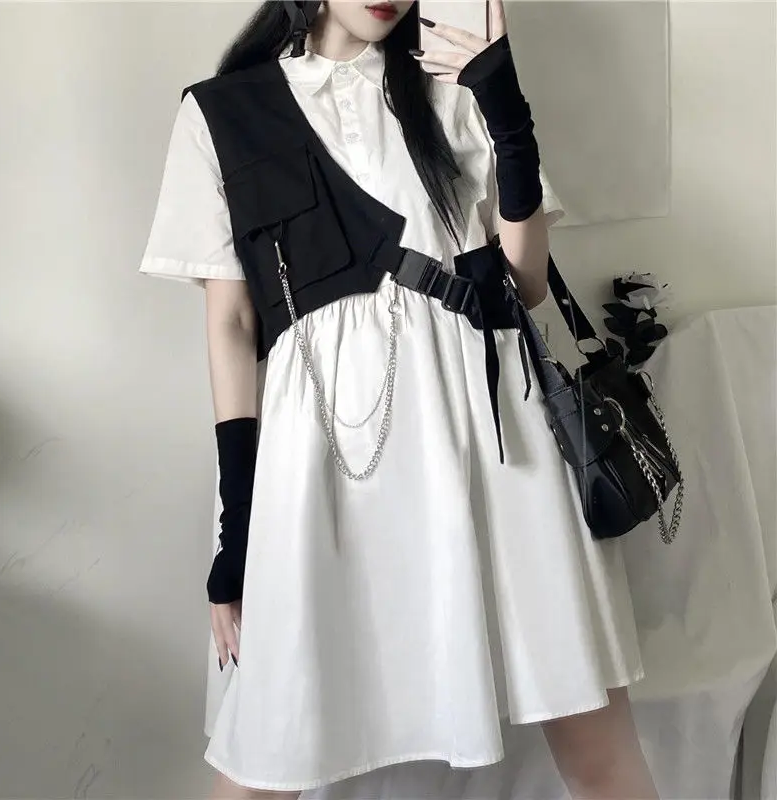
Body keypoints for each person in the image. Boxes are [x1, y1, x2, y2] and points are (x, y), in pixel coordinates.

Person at [139, 1, 659, 798]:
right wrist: (234, 533)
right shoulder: (222, 113)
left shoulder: (450, 85)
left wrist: (507, 112)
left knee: (594, 736)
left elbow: (523, 285)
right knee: (267, 744)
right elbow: (232, 327)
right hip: (323, 452)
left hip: (493, 437)